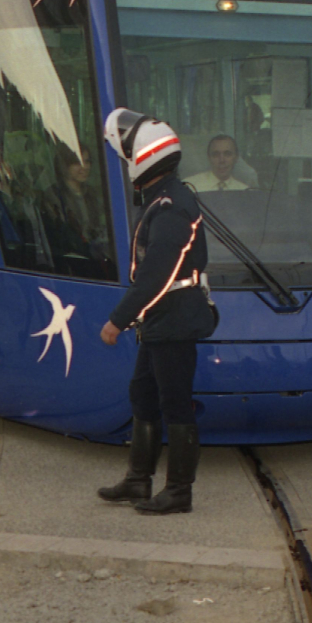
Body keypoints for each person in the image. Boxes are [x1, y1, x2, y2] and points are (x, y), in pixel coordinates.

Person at [97, 109, 218, 516]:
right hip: (162, 317)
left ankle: (179, 491)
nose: (125, 162)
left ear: (143, 158)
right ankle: (138, 480)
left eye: (126, 155)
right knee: (143, 394)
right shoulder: (164, 197)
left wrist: (119, 320)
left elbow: (156, 275)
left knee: (175, 402)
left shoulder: (170, 206)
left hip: (175, 316)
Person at [183, 134, 250, 192]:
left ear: (236, 157)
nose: (222, 160)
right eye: (216, 154)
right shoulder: (190, 187)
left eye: (227, 154)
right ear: (209, 158)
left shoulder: (244, 191)